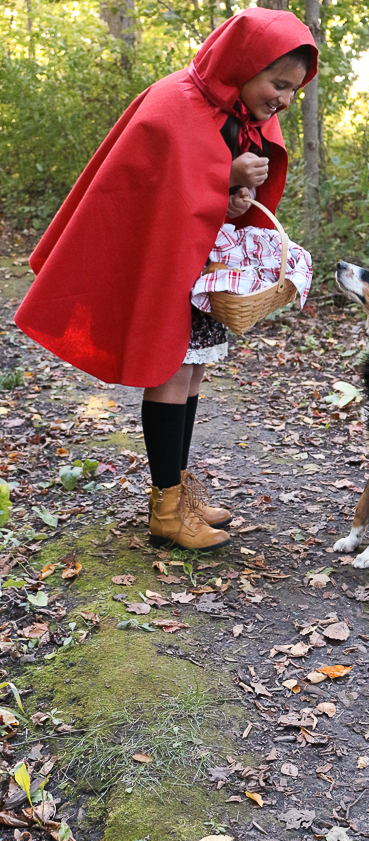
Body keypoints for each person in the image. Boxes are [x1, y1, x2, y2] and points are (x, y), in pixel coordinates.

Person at [14, 9, 318, 552]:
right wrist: (226, 175)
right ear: (244, 65)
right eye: (279, 84)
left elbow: (218, 198)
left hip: (204, 268)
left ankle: (178, 492)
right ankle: (166, 508)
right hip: (167, 268)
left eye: (295, 90)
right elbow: (154, 189)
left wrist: (237, 197)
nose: (285, 100)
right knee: (173, 372)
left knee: (194, 372)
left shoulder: (241, 112)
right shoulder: (175, 102)